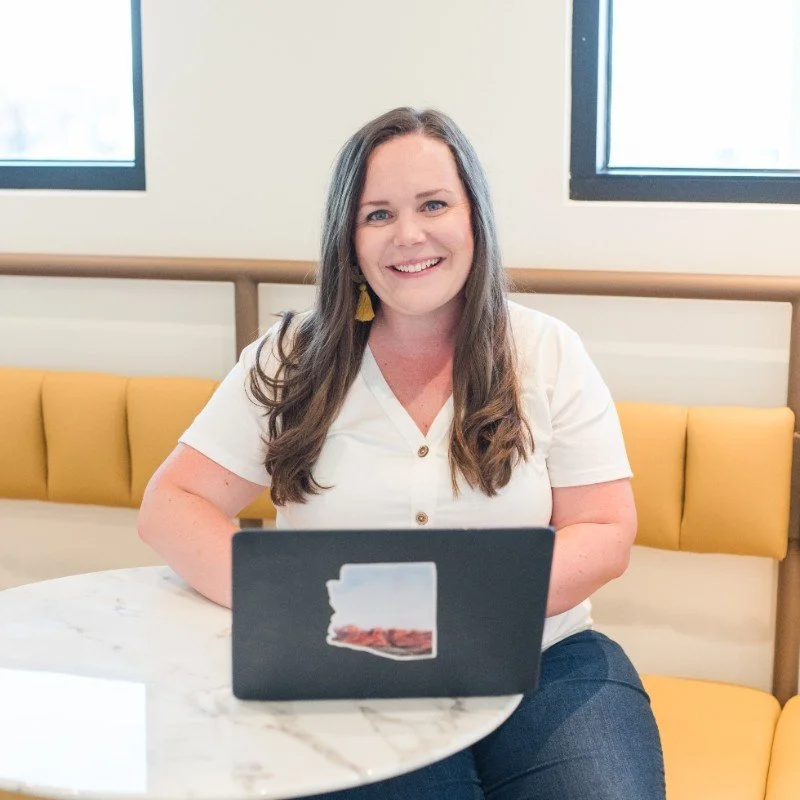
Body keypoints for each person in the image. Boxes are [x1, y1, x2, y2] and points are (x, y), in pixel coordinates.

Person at [137, 107, 665, 799]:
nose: (409, 235)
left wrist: (446, 612)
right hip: (351, 679)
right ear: (348, 239)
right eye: (377, 214)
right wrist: (299, 612)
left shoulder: (546, 350)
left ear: (473, 216)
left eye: (434, 204)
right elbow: (172, 506)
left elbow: (606, 530)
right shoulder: (293, 358)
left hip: (546, 664)